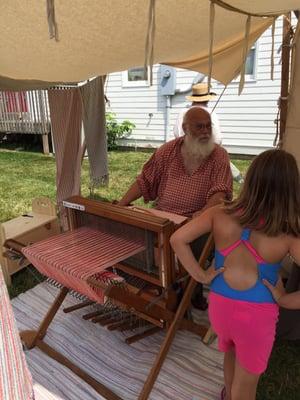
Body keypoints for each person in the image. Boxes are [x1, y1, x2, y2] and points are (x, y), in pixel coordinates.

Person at [170, 149, 300, 400]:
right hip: (256, 316)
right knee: (246, 387)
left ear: (251, 180)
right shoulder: (287, 232)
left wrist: (200, 275)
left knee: (230, 352)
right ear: (290, 189)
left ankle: (227, 395)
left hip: (220, 308)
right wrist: (285, 300)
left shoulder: (220, 213)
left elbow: (177, 239)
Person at [118, 106, 233, 309]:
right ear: (185, 128)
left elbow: (220, 194)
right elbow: (145, 181)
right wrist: (121, 204)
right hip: (162, 216)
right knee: (130, 236)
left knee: (193, 242)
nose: (206, 132)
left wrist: (200, 216)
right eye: (200, 127)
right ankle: (148, 285)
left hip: (199, 220)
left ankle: (187, 291)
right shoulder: (167, 151)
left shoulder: (219, 156)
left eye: (209, 126)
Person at [173, 82, 243, 183]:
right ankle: (240, 179)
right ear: (207, 98)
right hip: (204, 153)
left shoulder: (182, 112)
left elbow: (177, 133)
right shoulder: (210, 114)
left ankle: (239, 178)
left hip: (184, 152)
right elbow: (217, 138)